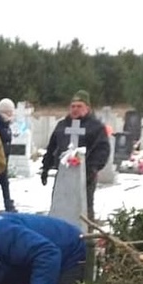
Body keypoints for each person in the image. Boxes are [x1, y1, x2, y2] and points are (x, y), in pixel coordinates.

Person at [41, 90, 111, 221]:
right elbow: (52, 147)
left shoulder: (96, 127)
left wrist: (92, 168)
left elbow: (102, 150)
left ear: (87, 108)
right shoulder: (62, 126)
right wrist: (46, 167)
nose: (75, 109)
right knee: (60, 204)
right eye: (73, 106)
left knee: (84, 207)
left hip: (86, 174)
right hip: (63, 174)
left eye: (79, 106)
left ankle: (86, 230)